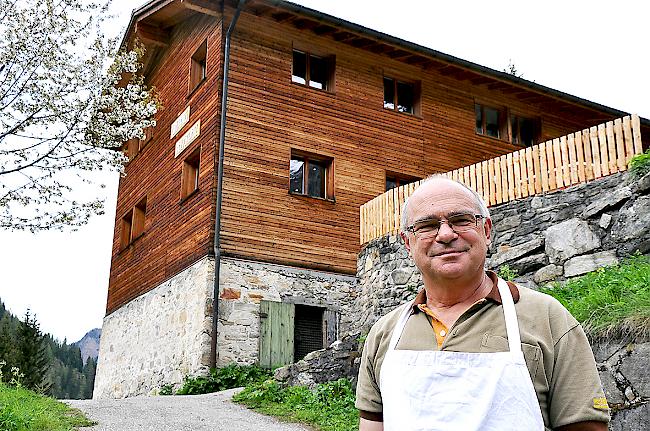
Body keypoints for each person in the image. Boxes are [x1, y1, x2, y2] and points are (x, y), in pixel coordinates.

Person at [355, 176, 609, 431]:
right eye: (427, 225)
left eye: (461, 220)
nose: (445, 234)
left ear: (486, 231)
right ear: (407, 243)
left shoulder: (547, 318)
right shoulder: (384, 334)